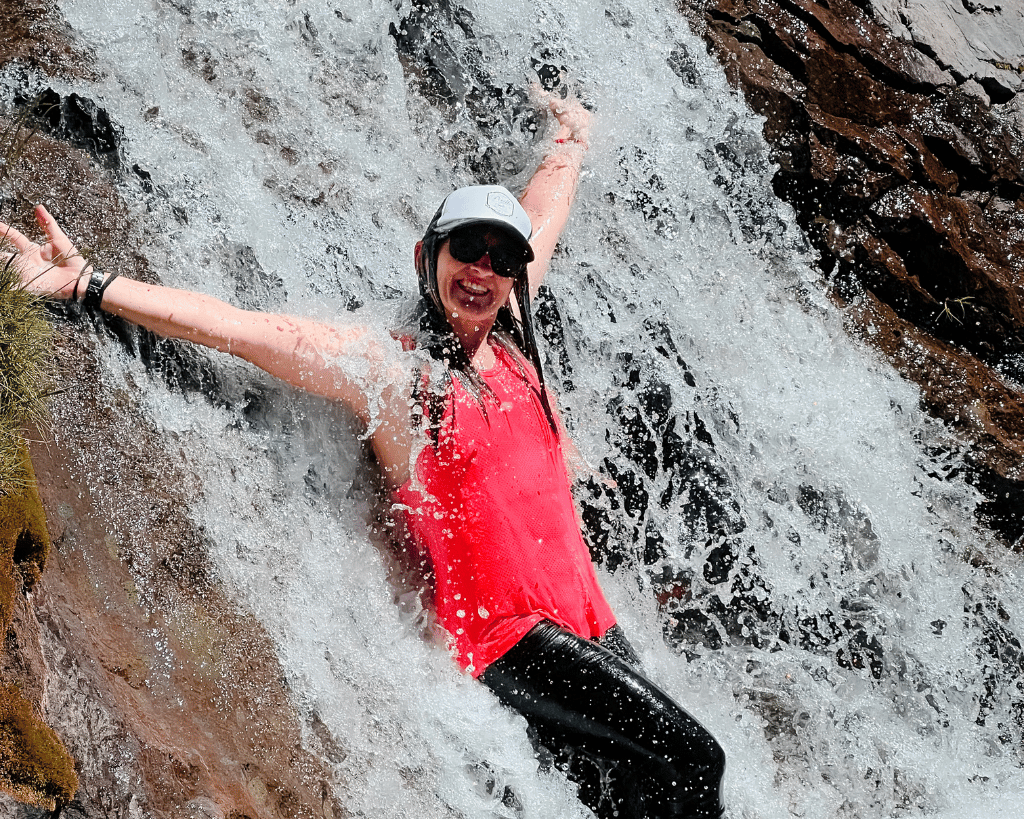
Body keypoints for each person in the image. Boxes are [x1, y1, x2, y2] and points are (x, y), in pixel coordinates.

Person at [2, 92, 725, 819]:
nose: (483, 268)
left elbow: (545, 217)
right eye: (466, 248)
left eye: (501, 257)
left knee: (619, 793)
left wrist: (570, 140)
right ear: (427, 256)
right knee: (696, 760)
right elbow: (241, 329)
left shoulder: (506, 331)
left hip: (589, 622)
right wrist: (85, 283)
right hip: (508, 641)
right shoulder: (393, 373)